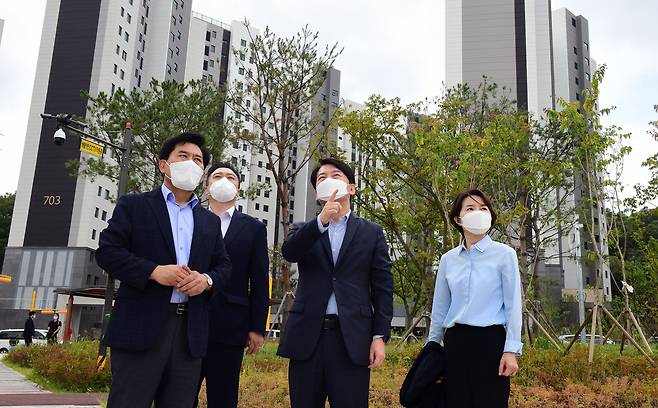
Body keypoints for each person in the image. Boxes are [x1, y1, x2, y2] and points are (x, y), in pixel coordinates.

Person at [96, 132, 232, 408]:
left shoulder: (208, 221)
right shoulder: (135, 206)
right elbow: (108, 252)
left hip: (189, 333)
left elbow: (224, 266)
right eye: (183, 156)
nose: (191, 163)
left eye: (197, 160)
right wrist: (153, 271)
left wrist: (206, 280)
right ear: (163, 165)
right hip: (140, 328)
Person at [277, 158, 393, 408]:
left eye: (336, 175)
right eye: (321, 178)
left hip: (352, 339)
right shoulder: (304, 229)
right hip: (309, 336)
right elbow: (290, 253)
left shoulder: (372, 232)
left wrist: (379, 336)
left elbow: (383, 286)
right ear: (317, 192)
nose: (328, 179)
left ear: (351, 188)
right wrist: (321, 223)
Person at [427, 189, 522, 408]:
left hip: (491, 343)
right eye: (470, 208)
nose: (478, 212)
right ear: (458, 219)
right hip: (455, 343)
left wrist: (511, 350)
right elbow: (440, 309)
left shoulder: (505, 254)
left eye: (483, 208)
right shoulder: (448, 260)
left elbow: (513, 305)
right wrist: (431, 353)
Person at [197, 162, 270, 408]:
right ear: (206, 188)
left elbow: (259, 280)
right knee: (179, 395)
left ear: (238, 190)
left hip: (230, 325)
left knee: (224, 397)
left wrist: (257, 327)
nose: (224, 180)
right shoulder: (189, 219)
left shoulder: (254, 228)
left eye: (231, 177)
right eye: (217, 176)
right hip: (187, 321)